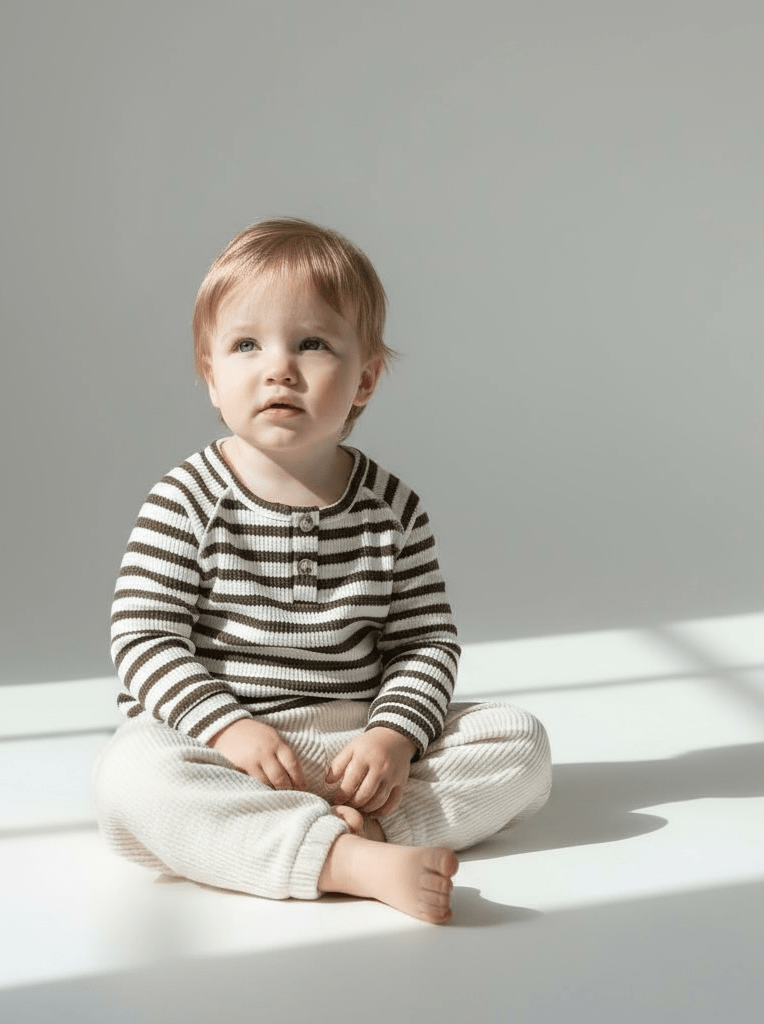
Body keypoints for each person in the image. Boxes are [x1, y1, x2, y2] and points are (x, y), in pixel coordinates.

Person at [92, 218, 551, 924]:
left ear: (364, 378)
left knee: (519, 743)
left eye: (312, 343)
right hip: (223, 748)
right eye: (246, 345)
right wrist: (228, 730)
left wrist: (392, 738)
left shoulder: (392, 509)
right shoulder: (185, 499)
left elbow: (424, 644)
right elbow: (143, 641)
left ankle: (367, 831)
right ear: (213, 378)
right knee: (134, 776)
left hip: (352, 750)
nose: (279, 367)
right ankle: (342, 858)